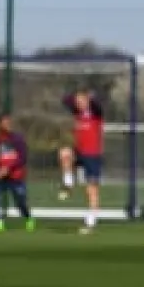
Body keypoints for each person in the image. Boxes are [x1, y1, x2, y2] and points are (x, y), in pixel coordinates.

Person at [58, 88, 105, 233]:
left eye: (82, 101)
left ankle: (90, 222)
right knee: (64, 153)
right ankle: (68, 183)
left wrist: (90, 97)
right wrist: (76, 97)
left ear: (87, 101)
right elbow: (65, 99)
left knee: (91, 190)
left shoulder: (96, 114)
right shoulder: (77, 113)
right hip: (80, 152)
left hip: (93, 155)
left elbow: (98, 105)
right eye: (77, 102)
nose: (79, 104)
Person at [0, 112, 34, 232]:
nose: (8, 124)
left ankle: (28, 218)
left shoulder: (17, 139)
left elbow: (22, 158)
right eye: (4, 122)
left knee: (20, 201)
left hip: (16, 175)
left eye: (9, 121)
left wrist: (8, 169)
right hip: (1, 176)